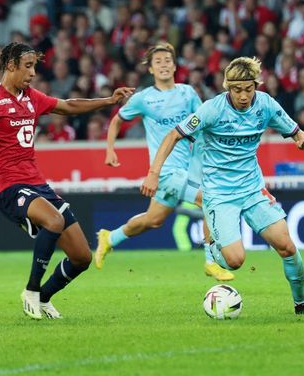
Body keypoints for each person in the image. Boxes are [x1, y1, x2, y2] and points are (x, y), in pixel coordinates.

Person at [0, 42, 134, 319]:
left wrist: (108, 101)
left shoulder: (30, 97)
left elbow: (67, 106)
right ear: (10, 66)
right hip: (9, 186)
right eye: (27, 66)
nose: (32, 73)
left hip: (38, 184)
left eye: (34, 67)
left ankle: (43, 297)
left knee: (82, 257)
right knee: (53, 221)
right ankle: (31, 289)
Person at [141, 57, 304, 315]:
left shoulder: (266, 104)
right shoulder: (212, 110)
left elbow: (295, 130)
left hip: (252, 190)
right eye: (237, 90)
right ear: (227, 87)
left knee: (286, 245)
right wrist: (153, 173)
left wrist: (301, 140)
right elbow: (174, 135)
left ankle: (301, 303)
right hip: (219, 195)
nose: (244, 96)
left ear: (256, 85)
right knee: (235, 261)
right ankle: (212, 244)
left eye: (249, 89)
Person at [94, 42, 234, 282]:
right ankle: (212, 261)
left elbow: (203, 122)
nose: (163, 65)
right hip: (167, 171)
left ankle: (110, 237)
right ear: (150, 69)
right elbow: (117, 119)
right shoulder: (143, 99)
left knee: (154, 220)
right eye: (158, 62)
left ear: (175, 65)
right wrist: (109, 149)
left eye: (167, 60)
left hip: (189, 167)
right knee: (210, 200)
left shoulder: (188, 93)